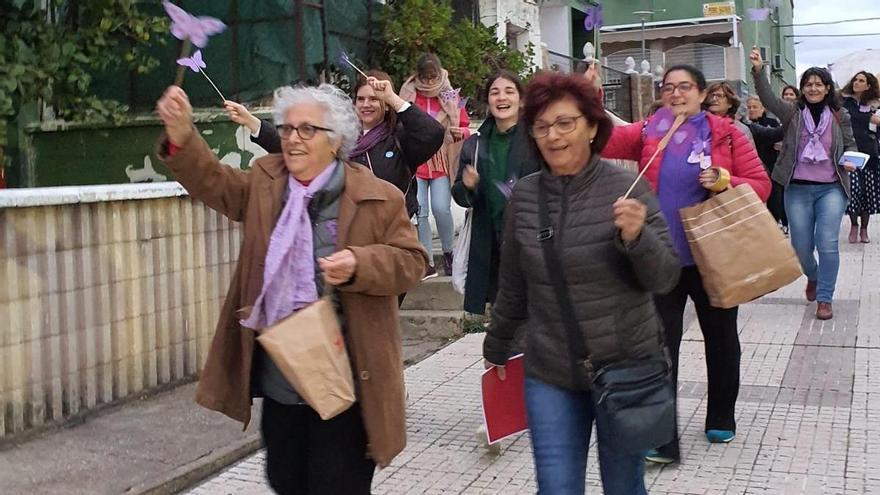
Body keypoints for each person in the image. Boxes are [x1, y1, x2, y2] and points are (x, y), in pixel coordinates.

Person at [156, 83, 428, 494]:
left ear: (335, 139)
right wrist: (182, 137)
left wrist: (361, 263)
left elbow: (412, 262)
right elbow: (216, 184)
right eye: (285, 129)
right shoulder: (267, 183)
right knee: (285, 480)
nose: (292, 139)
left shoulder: (378, 197)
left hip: (350, 380)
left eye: (306, 130)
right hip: (283, 372)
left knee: (337, 484)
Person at [483, 72, 680, 494]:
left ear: (592, 127)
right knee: (556, 488)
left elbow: (664, 278)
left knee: (624, 486)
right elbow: (514, 283)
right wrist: (496, 346)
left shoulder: (628, 188)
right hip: (550, 371)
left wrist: (637, 238)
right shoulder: (526, 196)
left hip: (626, 367)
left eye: (565, 123)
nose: (553, 136)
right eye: (541, 127)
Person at [602, 64, 771, 464]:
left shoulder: (726, 133)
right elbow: (602, 142)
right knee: (660, 347)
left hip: (713, 256)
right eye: (668, 88)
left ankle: (721, 416)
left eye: (684, 87)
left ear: (700, 93)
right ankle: (662, 437)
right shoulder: (649, 130)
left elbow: (761, 185)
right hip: (661, 258)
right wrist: (589, 98)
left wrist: (727, 179)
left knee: (722, 338)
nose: (675, 94)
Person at [224, 71, 445, 219]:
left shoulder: (400, 139)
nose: (366, 104)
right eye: (361, 99)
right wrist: (251, 122)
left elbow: (433, 134)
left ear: (386, 105)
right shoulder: (341, 137)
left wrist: (391, 97)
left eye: (374, 99)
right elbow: (296, 146)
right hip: (345, 231)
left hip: (389, 233)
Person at [750, 47, 858, 320]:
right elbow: (767, 98)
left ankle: (825, 298)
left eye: (818, 84)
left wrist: (850, 161)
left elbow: (851, 144)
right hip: (796, 187)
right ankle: (814, 276)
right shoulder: (791, 114)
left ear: (827, 88)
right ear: (802, 89)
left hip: (831, 187)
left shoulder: (839, 115)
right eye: (808, 84)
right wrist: (759, 71)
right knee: (800, 247)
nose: (812, 88)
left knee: (827, 242)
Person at [451, 70, 539, 315]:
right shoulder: (475, 145)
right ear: (488, 101)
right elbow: (459, 195)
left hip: (529, 241)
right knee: (504, 315)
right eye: (495, 92)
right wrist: (468, 186)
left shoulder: (536, 139)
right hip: (490, 245)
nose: (502, 98)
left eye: (509, 91)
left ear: (521, 100)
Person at [400, 53, 471, 278]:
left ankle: (449, 253)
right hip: (418, 160)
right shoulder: (408, 94)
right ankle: (427, 261)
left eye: (434, 77)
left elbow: (464, 123)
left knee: (441, 208)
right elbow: (401, 121)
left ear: (440, 74)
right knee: (420, 210)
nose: (430, 82)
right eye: (426, 77)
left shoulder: (450, 94)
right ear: (418, 76)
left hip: (441, 158)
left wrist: (459, 128)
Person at [840, 71, 880, 243]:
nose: (856, 83)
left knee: (868, 193)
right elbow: (850, 118)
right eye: (855, 79)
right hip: (851, 153)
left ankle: (864, 229)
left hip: (869, 153)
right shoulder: (845, 102)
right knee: (854, 190)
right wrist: (869, 118)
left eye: (861, 80)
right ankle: (853, 224)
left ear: (868, 85)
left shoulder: (874, 105)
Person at [745, 95, 786, 231]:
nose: (751, 110)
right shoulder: (744, 126)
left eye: (755, 107)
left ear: (762, 108)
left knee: (775, 198)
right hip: (750, 170)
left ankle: (776, 224)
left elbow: (777, 137)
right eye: (749, 107)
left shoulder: (771, 123)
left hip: (771, 166)